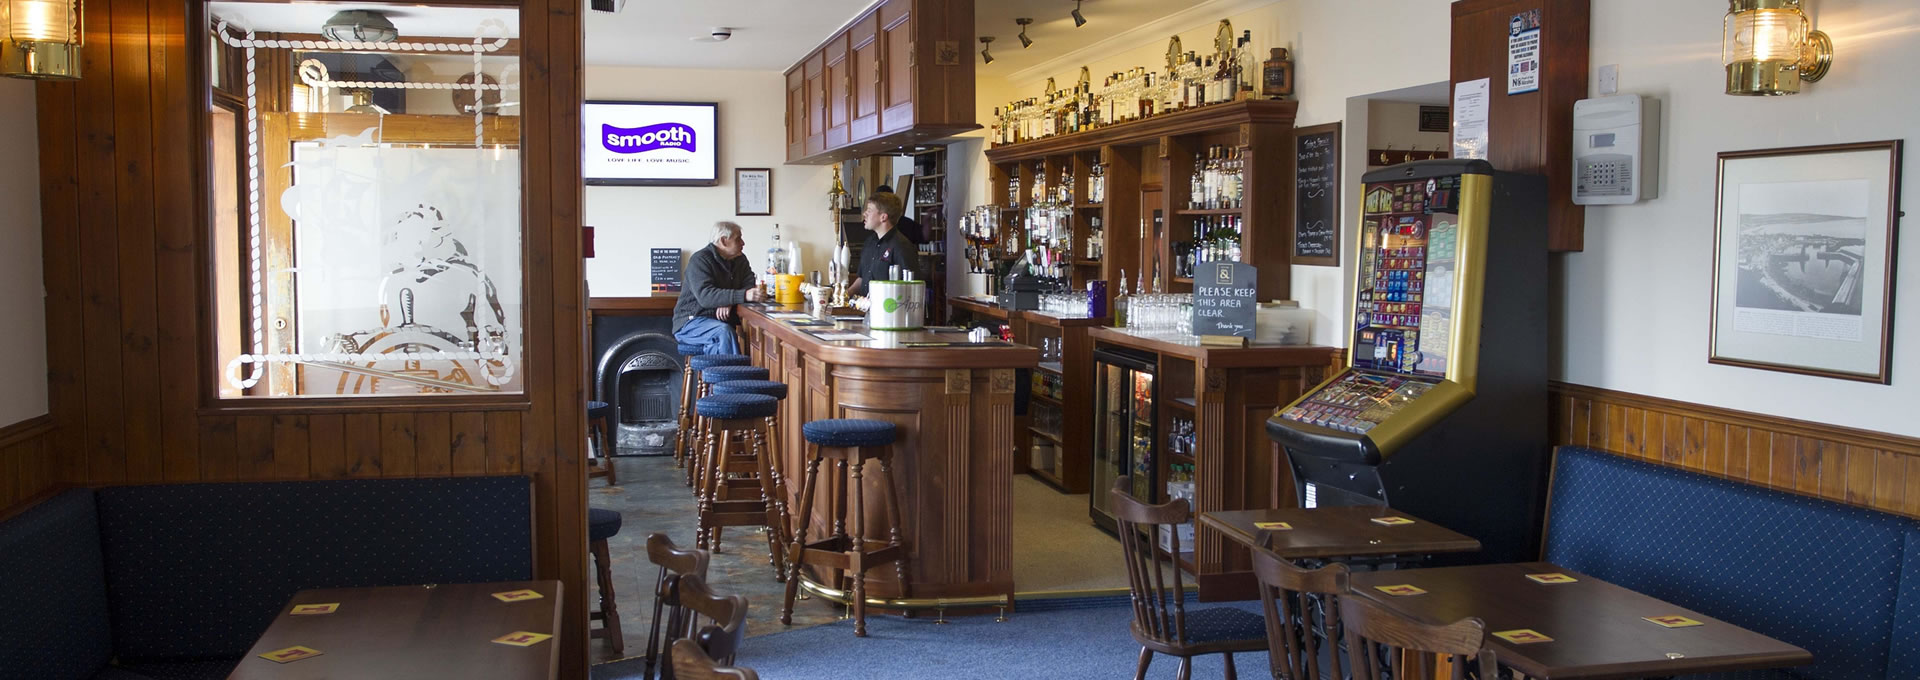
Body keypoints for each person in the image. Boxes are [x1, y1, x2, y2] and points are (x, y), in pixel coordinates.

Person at [673, 221, 764, 356]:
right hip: (691, 322)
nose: (743, 243)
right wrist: (741, 296)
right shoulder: (700, 260)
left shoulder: (740, 259)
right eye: (738, 239)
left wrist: (729, 302)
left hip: (719, 322)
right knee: (723, 332)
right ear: (723, 241)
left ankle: (716, 376)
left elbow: (749, 283)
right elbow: (706, 297)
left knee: (721, 337)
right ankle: (732, 376)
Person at [851, 192, 922, 297]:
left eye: (869, 210)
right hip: (864, 308)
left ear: (883, 217)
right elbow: (862, 278)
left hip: (889, 309)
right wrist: (846, 294)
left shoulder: (902, 246)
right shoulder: (869, 243)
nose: (864, 214)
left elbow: (911, 287)